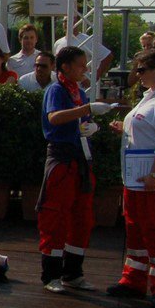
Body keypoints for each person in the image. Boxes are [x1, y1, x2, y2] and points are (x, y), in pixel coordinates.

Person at [105, 49, 155, 308]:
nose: (137, 75)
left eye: (142, 70)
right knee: (135, 230)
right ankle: (134, 280)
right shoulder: (151, 96)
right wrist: (125, 128)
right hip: (136, 178)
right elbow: (148, 131)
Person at [36, 47, 115, 293]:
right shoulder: (56, 90)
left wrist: (89, 125)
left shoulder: (78, 92)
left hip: (82, 159)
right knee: (55, 216)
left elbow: (77, 120)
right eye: (81, 65)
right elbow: (54, 118)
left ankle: (73, 272)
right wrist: (86, 111)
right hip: (62, 159)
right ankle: (51, 275)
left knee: (83, 218)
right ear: (66, 67)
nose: (85, 69)